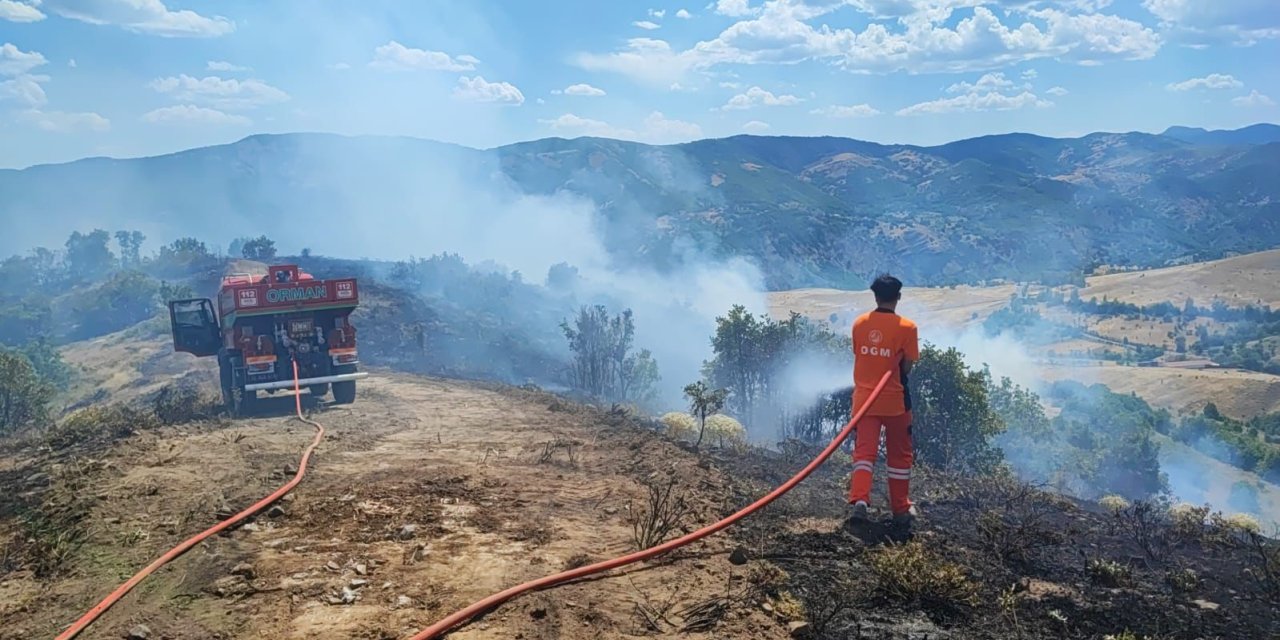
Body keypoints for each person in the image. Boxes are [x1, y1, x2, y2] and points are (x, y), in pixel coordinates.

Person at [848, 273, 920, 526]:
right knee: (899, 456)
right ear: (898, 297)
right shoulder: (908, 328)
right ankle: (900, 508)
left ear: (875, 296)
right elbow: (907, 367)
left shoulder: (859, 323)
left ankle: (859, 501)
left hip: (864, 402)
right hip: (896, 403)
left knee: (864, 453)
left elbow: (861, 355)